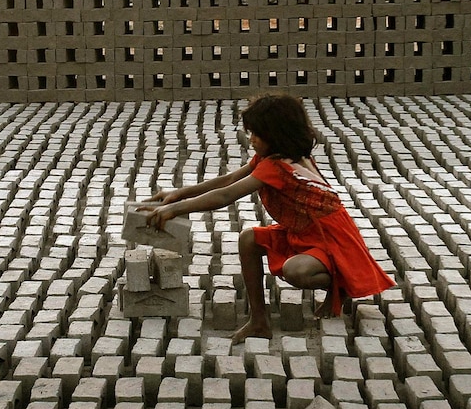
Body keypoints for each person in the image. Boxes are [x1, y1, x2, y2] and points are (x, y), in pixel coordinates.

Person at [141, 93, 395, 343]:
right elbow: (228, 180)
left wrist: (176, 209)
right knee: (248, 239)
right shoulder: (270, 157)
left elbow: (226, 196)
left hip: (331, 237)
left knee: (295, 271)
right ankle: (259, 321)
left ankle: (341, 282)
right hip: (302, 229)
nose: (250, 140)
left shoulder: (278, 167)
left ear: (276, 135)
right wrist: (179, 194)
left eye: (256, 134)